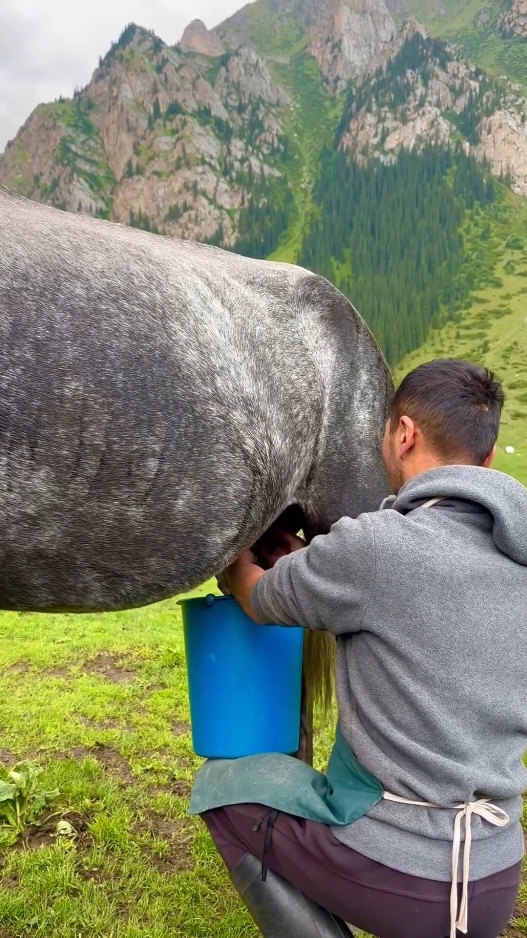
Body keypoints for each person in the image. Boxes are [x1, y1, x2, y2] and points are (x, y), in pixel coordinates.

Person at [197, 359, 527, 938]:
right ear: (489, 458)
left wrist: (230, 556)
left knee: (221, 793)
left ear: (403, 434)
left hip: (407, 877)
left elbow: (257, 597)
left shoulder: (376, 548)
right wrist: (313, 561)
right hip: (496, 875)